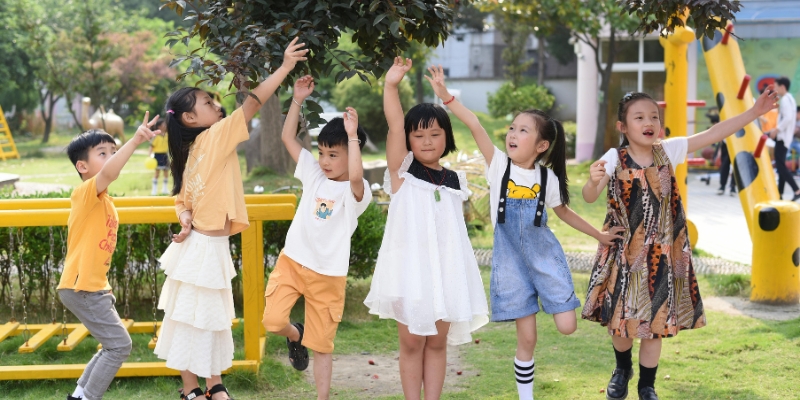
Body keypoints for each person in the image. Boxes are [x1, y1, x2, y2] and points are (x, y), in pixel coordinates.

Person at [423, 66, 622, 399]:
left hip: (544, 258)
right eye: (512, 128)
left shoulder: (548, 179)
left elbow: (564, 212)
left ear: (542, 145)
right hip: (511, 263)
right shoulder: (499, 166)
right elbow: (475, 125)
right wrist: (446, 97)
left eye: (523, 130)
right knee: (527, 339)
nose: (512, 134)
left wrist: (599, 236)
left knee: (567, 326)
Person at [581, 88, 778, 400]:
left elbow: (714, 133)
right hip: (625, 255)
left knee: (655, 323)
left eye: (654, 117)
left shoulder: (668, 150)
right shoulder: (613, 158)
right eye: (639, 117)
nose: (649, 122)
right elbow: (589, 196)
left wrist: (754, 113)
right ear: (623, 127)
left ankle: (647, 385)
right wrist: (592, 181)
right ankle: (622, 368)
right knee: (621, 321)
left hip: (662, 254)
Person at [154, 38, 308, 400]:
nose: (217, 105)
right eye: (208, 103)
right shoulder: (202, 144)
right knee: (190, 321)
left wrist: (186, 218)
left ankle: (209, 386)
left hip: (208, 248)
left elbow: (182, 201)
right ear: (190, 119)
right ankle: (196, 389)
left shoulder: (206, 142)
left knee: (202, 321)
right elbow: (253, 103)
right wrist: (285, 67)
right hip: (199, 249)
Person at [364, 58, 489, 400]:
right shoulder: (402, 172)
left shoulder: (456, 181)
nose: (427, 141)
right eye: (418, 135)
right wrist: (391, 85)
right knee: (411, 342)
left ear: (447, 136)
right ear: (409, 140)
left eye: (435, 134)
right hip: (408, 271)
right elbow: (394, 125)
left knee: (436, 343)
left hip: (447, 272)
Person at [261, 75, 372, 400]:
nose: (324, 161)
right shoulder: (314, 174)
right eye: (322, 152)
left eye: (333, 155)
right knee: (272, 321)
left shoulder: (356, 193)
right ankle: (295, 334)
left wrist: (353, 136)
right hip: (293, 262)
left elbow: (356, 176)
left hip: (328, 275)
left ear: (351, 155)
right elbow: (287, 137)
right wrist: (297, 99)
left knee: (322, 345)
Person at [60, 116, 160, 400]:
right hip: (82, 288)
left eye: (113, 152)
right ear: (82, 167)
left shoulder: (102, 199)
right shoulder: (85, 192)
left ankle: (79, 395)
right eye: (102, 153)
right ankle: (87, 397)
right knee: (119, 346)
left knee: (112, 345)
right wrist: (136, 140)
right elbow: (109, 174)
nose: (112, 158)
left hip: (92, 287)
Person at [766, 77, 800, 200]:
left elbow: (788, 118)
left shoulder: (786, 99)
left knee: (780, 166)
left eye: (776, 86)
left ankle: (796, 190)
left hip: (782, 137)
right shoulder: (790, 99)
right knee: (780, 166)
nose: (775, 89)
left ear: (782, 86)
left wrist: (777, 130)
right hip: (785, 137)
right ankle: (779, 194)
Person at [149, 117, 170, 195]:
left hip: (165, 155)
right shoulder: (156, 136)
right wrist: (149, 156)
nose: (165, 125)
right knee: (157, 172)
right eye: (163, 124)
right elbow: (151, 146)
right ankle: (154, 190)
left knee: (166, 171)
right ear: (159, 126)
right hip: (158, 155)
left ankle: (165, 189)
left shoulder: (167, 135)